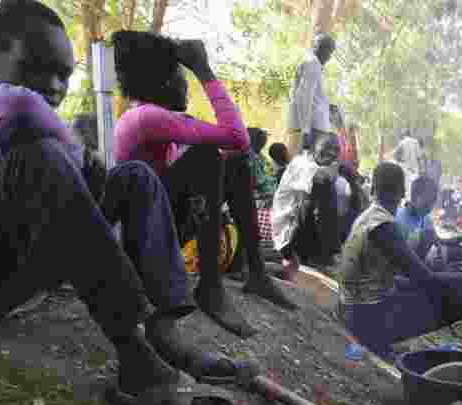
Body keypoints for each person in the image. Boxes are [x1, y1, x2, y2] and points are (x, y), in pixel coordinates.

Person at [0, 0, 234, 405]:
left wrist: (86, 167)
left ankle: (164, 330)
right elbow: (19, 109)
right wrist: (70, 152)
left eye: (64, 76)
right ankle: (137, 361)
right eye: (38, 68)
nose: (54, 86)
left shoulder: (21, 123)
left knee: (134, 177)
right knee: (43, 159)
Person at [112, 30, 295, 339]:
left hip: (159, 226)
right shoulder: (145, 117)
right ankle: (210, 287)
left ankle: (256, 271)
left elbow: (238, 148)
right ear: (164, 83)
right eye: (182, 77)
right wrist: (205, 71)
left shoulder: (151, 117)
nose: (187, 85)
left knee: (234, 164)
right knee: (209, 155)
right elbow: (239, 137)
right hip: (142, 242)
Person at [337, 162, 462, 358]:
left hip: (352, 311)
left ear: (374, 189)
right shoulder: (384, 227)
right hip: (368, 320)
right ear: (403, 192)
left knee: (457, 287)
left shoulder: (367, 217)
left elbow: (400, 279)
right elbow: (426, 279)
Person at [271, 132, 362, 278]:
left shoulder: (321, 166)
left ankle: (330, 251)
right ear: (313, 148)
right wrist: (343, 170)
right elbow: (321, 177)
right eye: (326, 149)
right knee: (323, 186)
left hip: (299, 230)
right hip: (285, 237)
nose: (331, 154)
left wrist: (351, 178)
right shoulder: (301, 164)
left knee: (337, 189)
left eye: (335, 151)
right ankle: (323, 255)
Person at [286, 33, 335, 158]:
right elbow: (305, 98)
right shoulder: (312, 64)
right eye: (329, 52)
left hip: (315, 125)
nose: (329, 57)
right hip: (315, 126)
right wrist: (306, 130)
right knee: (314, 162)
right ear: (320, 48)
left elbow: (307, 96)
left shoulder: (312, 64)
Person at [392, 130, 424, 200]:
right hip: (415, 168)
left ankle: (406, 203)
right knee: (414, 187)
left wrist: (399, 160)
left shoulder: (402, 142)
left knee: (406, 187)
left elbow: (394, 155)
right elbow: (419, 157)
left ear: (404, 135)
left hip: (404, 167)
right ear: (410, 134)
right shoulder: (415, 142)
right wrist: (422, 169)